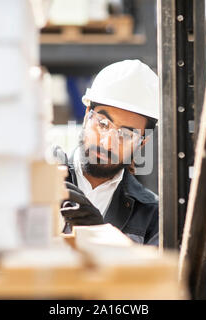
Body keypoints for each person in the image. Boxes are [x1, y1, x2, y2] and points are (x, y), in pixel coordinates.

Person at [59, 59, 159, 246]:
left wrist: (100, 235)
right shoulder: (44, 185)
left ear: (143, 141)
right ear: (87, 115)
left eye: (126, 134)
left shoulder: (152, 215)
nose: (107, 143)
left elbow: (151, 274)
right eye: (103, 124)